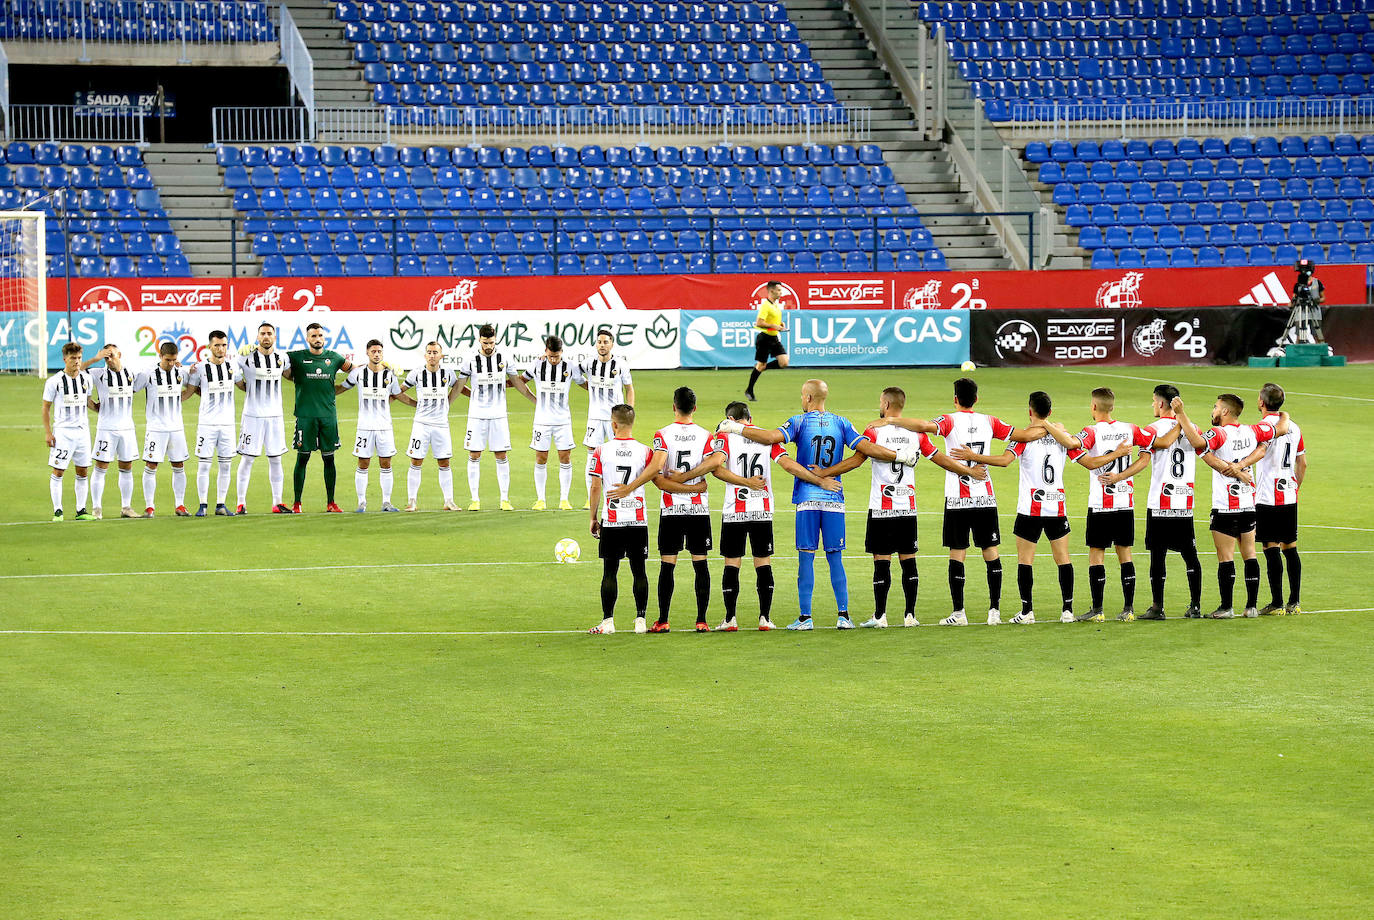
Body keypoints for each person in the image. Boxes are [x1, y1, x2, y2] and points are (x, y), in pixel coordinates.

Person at [719, 378, 916, 631]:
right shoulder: (842, 422)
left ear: (809, 398)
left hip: (807, 500)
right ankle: (844, 616)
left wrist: (733, 428)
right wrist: (898, 455)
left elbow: (769, 437)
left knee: (806, 559)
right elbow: (863, 452)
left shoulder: (799, 422)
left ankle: (805, 618)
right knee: (836, 559)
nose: (802, 400)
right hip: (835, 499)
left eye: (803, 396)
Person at [811, 386, 986, 628]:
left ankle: (880, 616)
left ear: (885, 404)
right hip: (907, 506)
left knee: (881, 561)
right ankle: (909, 615)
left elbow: (855, 460)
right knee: (909, 560)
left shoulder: (873, 431)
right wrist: (969, 471)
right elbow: (941, 459)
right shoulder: (916, 434)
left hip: (882, 507)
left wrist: (824, 473)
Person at [873, 377, 1041, 626]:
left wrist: (890, 420)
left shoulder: (949, 420)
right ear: (976, 398)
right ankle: (994, 611)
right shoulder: (990, 421)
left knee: (957, 553)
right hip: (985, 495)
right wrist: (1048, 427)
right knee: (990, 552)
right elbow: (1025, 436)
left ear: (955, 399)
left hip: (957, 499)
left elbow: (924, 426)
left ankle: (959, 613)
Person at [671, 400, 841, 632]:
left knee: (732, 563)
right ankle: (765, 618)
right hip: (761, 510)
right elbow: (789, 465)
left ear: (730, 420)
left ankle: (730, 618)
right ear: (749, 419)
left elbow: (716, 468)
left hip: (734, 511)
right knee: (763, 562)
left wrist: (739, 482)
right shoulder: (765, 438)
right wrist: (819, 480)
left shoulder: (725, 437)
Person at [1100, 385, 1237, 620]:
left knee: (1158, 555)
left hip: (1160, 503)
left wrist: (1119, 477)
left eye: (1154, 401)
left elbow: (1144, 460)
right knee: (1190, 555)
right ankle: (1195, 606)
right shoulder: (1192, 428)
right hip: (1184, 500)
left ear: (1162, 404)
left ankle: (1157, 607)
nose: (1153, 405)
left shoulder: (1152, 429)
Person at [953, 392, 1079, 624]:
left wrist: (973, 456)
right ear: (1049, 412)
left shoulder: (1023, 439)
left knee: (1025, 560)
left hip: (1030, 509)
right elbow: (1072, 445)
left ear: (1029, 411)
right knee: (1063, 558)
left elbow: (1004, 461)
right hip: (1056, 505)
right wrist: (1053, 426)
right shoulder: (1063, 436)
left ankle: (1027, 612)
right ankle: (1067, 611)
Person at [1173, 395, 1288, 618]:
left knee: (1226, 558)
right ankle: (1251, 607)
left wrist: (1181, 413)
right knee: (1250, 555)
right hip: (1248, 504)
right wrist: (1285, 414)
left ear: (1225, 412)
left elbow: (1198, 443)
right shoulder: (1252, 431)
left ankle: (1226, 607)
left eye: (1215, 407)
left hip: (1225, 506)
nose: (1213, 411)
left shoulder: (1218, 433)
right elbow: (1280, 429)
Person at [1054, 387, 1151, 621]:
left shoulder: (1091, 431)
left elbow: (1082, 455)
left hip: (1100, 504)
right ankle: (1128, 610)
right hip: (1125, 502)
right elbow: (1146, 455)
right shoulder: (1131, 429)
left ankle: (1097, 611)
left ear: (1094, 407)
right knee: (1125, 554)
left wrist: (1053, 427)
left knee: (1096, 554)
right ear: (1113, 406)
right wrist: (1122, 475)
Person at [647, 386, 719, 632]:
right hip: (699, 511)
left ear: (673, 407)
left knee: (668, 564)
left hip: (671, 510)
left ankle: (663, 620)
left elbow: (657, 477)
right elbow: (714, 464)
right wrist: (694, 487)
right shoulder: (706, 436)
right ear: (695, 408)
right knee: (701, 563)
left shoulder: (662, 435)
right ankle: (702, 621)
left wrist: (677, 483)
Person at [587, 403, 655, 635]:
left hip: (613, 520)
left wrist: (593, 517)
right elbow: (655, 477)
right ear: (632, 422)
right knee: (639, 570)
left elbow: (596, 486)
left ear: (613, 424)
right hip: (637, 520)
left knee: (609, 571)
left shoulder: (600, 451)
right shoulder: (646, 452)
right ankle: (641, 620)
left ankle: (608, 622)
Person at [457, 324, 534, 511]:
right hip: (476, 415)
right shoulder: (470, 359)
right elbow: (459, 385)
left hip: (499, 415)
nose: (488, 346)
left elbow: (517, 382)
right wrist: (446, 405)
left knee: (501, 455)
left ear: (495, 339)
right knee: (474, 455)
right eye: (485, 343)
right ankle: (474, 499)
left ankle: (505, 499)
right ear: (479, 340)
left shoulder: (505, 357)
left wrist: (536, 401)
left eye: (491, 342)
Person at [284, 322, 352, 513]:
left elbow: (355, 370)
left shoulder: (334, 358)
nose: (317, 339)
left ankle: (331, 502)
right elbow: (277, 362)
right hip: (305, 416)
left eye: (320, 335)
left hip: (328, 416)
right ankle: (297, 503)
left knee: (329, 459)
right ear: (307, 339)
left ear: (324, 337)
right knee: (302, 458)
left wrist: (378, 365)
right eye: (313, 336)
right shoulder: (296, 357)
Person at [1251, 383, 1305, 615]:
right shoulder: (1294, 427)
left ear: (1261, 403)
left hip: (1266, 495)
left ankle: (1276, 603)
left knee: (1270, 547)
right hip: (1288, 494)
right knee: (1290, 547)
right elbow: (1302, 463)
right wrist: (1295, 487)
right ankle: (1295, 603)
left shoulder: (1260, 429)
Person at [521, 335, 587, 511]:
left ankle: (564, 499)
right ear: (545, 352)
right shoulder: (536, 365)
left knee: (565, 457)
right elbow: (521, 381)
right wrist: (532, 398)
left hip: (563, 421)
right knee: (541, 458)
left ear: (562, 353)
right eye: (550, 356)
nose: (553, 359)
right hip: (541, 421)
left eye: (556, 356)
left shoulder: (570, 367)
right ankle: (540, 499)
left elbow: (583, 383)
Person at [337, 339, 403, 513]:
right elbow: (342, 388)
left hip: (385, 427)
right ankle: (361, 502)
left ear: (383, 353)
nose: (376, 354)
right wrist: (321, 391)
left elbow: (398, 395)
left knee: (386, 463)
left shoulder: (390, 375)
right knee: (363, 462)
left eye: (379, 351)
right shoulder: (358, 373)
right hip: (364, 427)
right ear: (367, 352)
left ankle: (387, 502)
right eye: (373, 351)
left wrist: (417, 404)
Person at [398, 342, 462, 512]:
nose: (432, 355)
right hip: (421, 424)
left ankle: (449, 500)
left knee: (444, 461)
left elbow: (458, 387)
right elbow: (398, 391)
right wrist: (414, 404)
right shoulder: (417, 373)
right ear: (425, 355)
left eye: (435, 352)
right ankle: (412, 501)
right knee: (416, 460)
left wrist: (450, 401)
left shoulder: (448, 373)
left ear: (441, 355)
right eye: (429, 352)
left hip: (441, 424)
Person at [235, 322, 291, 514]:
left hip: (275, 416)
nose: (266, 337)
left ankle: (278, 503)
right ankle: (241, 503)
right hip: (253, 416)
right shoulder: (245, 357)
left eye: (269, 333)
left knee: (276, 459)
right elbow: (233, 375)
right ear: (257, 337)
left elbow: (289, 374)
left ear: (274, 337)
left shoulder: (282, 358)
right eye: (262, 334)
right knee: (247, 458)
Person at [184, 330, 238, 517]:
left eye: (223, 345)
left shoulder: (233, 366)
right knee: (204, 465)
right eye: (217, 345)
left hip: (228, 425)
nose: (220, 348)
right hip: (207, 424)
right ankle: (203, 505)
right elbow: (190, 391)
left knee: (225, 465)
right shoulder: (199, 368)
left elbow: (244, 385)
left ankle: (221, 505)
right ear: (209, 347)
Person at [579, 327, 635, 510]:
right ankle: (590, 497)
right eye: (599, 342)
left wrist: (629, 411)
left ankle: (616, 494)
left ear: (612, 344)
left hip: (615, 418)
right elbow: (571, 372)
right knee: (592, 455)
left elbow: (629, 389)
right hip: (594, 417)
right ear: (596, 344)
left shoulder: (620, 365)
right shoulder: (588, 364)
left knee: (617, 455)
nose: (602, 345)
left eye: (606, 342)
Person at [41, 342, 95, 522]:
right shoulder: (54, 381)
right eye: (73, 358)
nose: (77, 361)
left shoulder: (87, 379)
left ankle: (81, 510)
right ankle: (58, 511)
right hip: (63, 432)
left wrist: (97, 408)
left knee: (83, 471)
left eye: (79, 358)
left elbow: (88, 401)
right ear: (65, 359)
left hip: (83, 432)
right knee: (59, 471)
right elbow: (45, 408)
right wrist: (48, 433)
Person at [87, 343, 141, 519]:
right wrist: (96, 358)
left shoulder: (131, 373)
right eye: (106, 357)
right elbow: (76, 370)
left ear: (120, 354)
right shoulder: (97, 374)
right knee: (101, 467)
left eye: (112, 355)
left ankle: (126, 507)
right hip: (106, 429)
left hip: (127, 429)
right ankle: (96, 509)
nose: (109, 359)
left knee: (127, 467)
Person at [137, 341, 189, 517]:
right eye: (168, 360)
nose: (171, 363)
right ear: (160, 356)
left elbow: (193, 384)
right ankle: (150, 506)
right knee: (151, 466)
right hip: (156, 428)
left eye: (174, 360)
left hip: (176, 428)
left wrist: (181, 398)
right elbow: (132, 389)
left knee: (179, 465)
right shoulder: (148, 373)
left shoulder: (180, 372)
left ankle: (180, 505)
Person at [743, 280, 788, 401]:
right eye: (778, 290)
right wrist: (774, 326)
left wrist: (780, 324)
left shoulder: (775, 305)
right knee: (761, 365)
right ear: (771, 291)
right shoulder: (765, 305)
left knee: (784, 362)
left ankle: (760, 368)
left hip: (773, 337)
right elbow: (759, 322)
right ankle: (749, 390)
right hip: (764, 338)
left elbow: (773, 321)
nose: (780, 292)